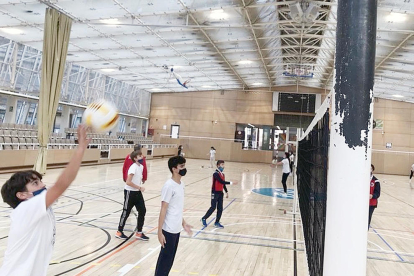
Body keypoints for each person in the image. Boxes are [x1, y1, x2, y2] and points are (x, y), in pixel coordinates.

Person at [0, 125, 90, 276]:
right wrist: (80, 148)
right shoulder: (26, 209)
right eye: (35, 183)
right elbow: (62, 184)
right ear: (22, 195)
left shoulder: (39, 208)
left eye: (40, 181)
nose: (43, 185)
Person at [155, 156, 193, 276]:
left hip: (177, 229)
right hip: (168, 230)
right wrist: (159, 232)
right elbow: (164, 208)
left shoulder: (181, 184)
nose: (184, 168)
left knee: (169, 261)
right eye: (181, 166)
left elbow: (176, 208)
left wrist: (184, 223)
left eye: (184, 166)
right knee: (164, 262)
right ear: (174, 169)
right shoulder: (169, 186)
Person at [116, 150, 149, 241]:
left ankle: (139, 232)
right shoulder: (133, 167)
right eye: (140, 156)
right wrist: (139, 187)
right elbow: (128, 182)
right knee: (126, 212)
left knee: (142, 210)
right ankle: (119, 231)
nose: (142, 157)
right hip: (130, 192)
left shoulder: (141, 167)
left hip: (137, 193)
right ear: (135, 158)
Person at [201, 160, 237, 229]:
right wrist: (231, 183)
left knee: (220, 208)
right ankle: (204, 218)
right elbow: (221, 181)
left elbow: (223, 184)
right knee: (213, 207)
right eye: (222, 165)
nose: (223, 166)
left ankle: (217, 222)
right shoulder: (215, 174)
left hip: (220, 193)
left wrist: (226, 192)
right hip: (215, 192)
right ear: (218, 166)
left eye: (223, 165)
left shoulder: (223, 174)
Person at [369, 164, 381, 229]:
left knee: (368, 219)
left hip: (371, 203)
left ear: (372, 170)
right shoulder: (361, 180)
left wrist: (372, 196)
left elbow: (378, 193)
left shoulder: (376, 181)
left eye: (370, 168)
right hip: (361, 203)